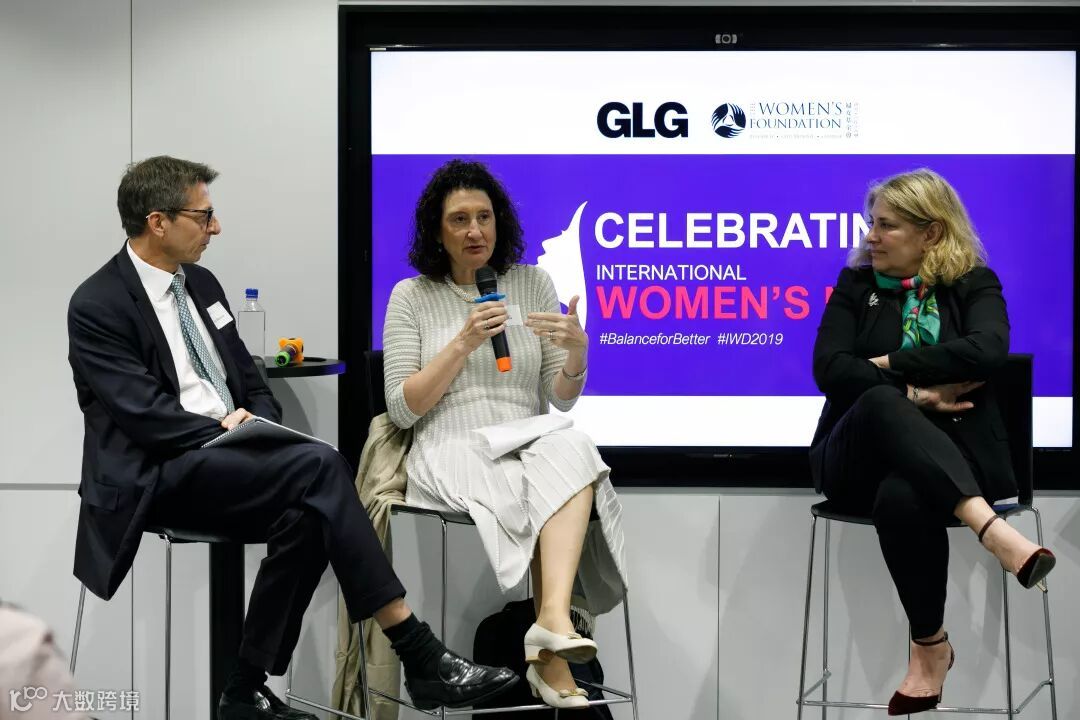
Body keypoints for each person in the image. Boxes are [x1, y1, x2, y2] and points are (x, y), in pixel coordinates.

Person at [66, 156, 517, 720]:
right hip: (156, 473)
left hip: (227, 458)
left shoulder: (201, 285)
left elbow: (252, 381)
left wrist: (254, 424)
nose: (215, 227)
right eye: (203, 216)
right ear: (158, 222)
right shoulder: (98, 303)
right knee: (321, 466)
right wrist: (223, 430)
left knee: (309, 513)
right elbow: (142, 415)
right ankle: (418, 651)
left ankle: (244, 690)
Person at [382, 159, 628, 710]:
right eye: (460, 220)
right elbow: (402, 409)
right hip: (451, 442)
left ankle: (551, 621)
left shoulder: (532, 282)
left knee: (575, 443)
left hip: (528, 437)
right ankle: (552, 653)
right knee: (546, 481)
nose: (475, 231)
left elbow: (561, 398)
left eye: (484, 217)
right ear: (437, 232)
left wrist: (577, 354)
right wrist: (462, 344)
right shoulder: (411, 296)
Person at [809, 168, 1055, 716]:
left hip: (952, 459)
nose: (871, 236)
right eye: (872, 223)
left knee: (903, 496)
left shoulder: (974, 284)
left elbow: (987, 350)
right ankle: (992, 531)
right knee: (879, 402)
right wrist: (914, 394)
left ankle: (929, 648)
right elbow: (830, 369)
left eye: (887, 225)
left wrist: (888, 363)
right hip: (854, 460)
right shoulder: (856, 286)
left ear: (932, 233)